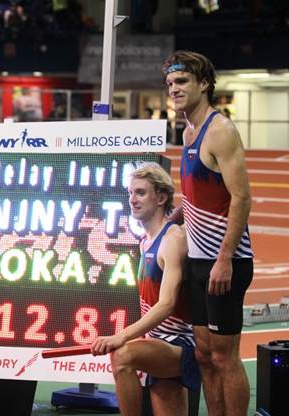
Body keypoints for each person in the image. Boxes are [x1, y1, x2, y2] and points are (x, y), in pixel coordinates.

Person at [163, 51, 253, 416]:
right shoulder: (188, 132)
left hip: (224, 264)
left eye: (182, 81)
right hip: (198, 263)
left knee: (223, 355)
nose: (174, 89)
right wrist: (173, 217)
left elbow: (242, 197)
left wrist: (225, 259)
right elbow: (198, 193)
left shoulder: (220, 131)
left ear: (204, 84)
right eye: (170, 83)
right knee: (202, 354)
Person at [91, 163, 199, 416]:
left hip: (180, 344)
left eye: (140, 193)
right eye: (130, 193)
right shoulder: (144, 242)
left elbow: (167, 304)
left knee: (122, 355)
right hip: (158, 344)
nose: (132, 200)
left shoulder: (172, 240)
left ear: (161, 198)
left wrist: (123, 336)